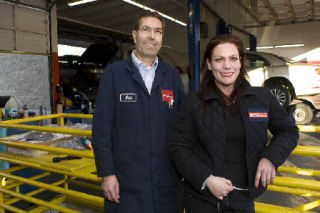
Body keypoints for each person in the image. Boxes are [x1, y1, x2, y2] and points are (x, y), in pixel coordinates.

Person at [169, 34, 299, 213]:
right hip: (202, 200)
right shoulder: (193, 102)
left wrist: (270, 158)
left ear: (240, 62)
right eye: (219, 59)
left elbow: (288, 131)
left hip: (243, 200)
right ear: (209, 64)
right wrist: (206, 179)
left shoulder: (261, 99)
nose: (227, 66)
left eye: (233, 58)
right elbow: (178, 147)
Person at [92, 11, 185, 213]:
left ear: (161, 38)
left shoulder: (172, 76)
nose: (152, 36)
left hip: (167, 182)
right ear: (134, 35)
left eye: (158, 31)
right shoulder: (114, 75)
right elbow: (101, 130)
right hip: (126, 184)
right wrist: (107, 173)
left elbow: (184, 128)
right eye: (146, 29)